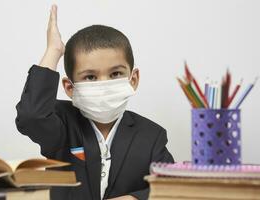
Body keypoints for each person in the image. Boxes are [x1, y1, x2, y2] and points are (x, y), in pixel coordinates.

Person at [15, 4, 174, 200]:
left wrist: (135, 198)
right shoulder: (62, 124)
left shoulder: (152, 135)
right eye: (90, 77)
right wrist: (53, 51)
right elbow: (31, 116)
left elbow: (171, 186)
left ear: (133, 79)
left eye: (115, 73)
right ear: (69, 88)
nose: (104, 84)